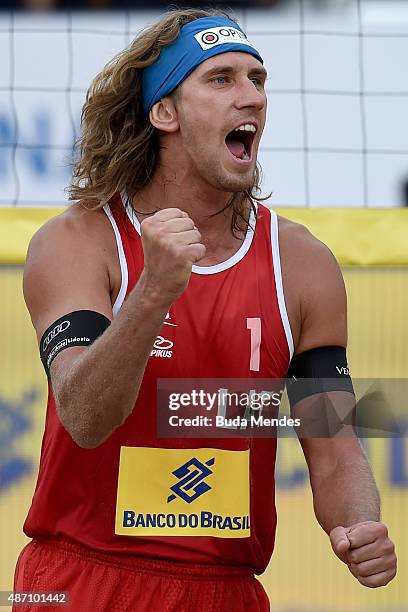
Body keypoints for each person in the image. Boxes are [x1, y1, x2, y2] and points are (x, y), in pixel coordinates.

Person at [15, 7, 396, 612]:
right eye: (221, 79)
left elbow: (332, 438)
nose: (252, 98)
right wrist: (154, 293)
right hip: (79, 578)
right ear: (164, 112)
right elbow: (85, 416)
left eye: (258, 80)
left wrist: (358, 525)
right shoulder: (78, 240)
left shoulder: (300, 262)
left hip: (225, 591)